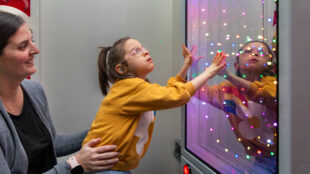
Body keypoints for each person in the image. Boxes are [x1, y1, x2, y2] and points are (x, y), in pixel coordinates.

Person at [82, 37, 227, 173]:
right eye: (136, 51)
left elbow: (169, 92)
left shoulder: (137, 88)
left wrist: (186, 65)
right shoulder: (129, 88)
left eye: (143, 47)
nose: (145, 51)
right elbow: (176, 96)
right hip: (103, 168)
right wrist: (208, 73)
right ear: (121, 69)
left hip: (112, 166)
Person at [0, 11, 119, 174]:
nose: (35, 50)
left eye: (32, 41)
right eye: (23, 46)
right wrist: (74, 164)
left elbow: (51, 143)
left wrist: (101, 129)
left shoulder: (34, 91)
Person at [191, 41, 277, 173]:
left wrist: (228, 75)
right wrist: (194, 68)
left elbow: (263, 94)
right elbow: (199, 92)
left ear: (271, 67)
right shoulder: (228, 90)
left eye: (261, 52)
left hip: (288, 153)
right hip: (263, 157)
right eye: (247, 52)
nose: (254, 53)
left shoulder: (274, 83)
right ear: (236, 65)